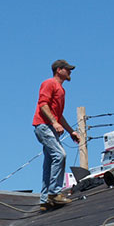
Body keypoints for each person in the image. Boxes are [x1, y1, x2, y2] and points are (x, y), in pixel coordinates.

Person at [33, 59, 80, 210]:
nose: (70, 72)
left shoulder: (61, 89)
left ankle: (45, 199)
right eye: (67, 69)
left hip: (50, 126)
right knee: (60, 155)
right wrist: (53, 122)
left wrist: (70, 131)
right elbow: (43, 105)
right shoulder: (49, 83)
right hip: (44, 126)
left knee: (49, 162)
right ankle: (54, 194)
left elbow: (59, 116)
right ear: (59, 70)